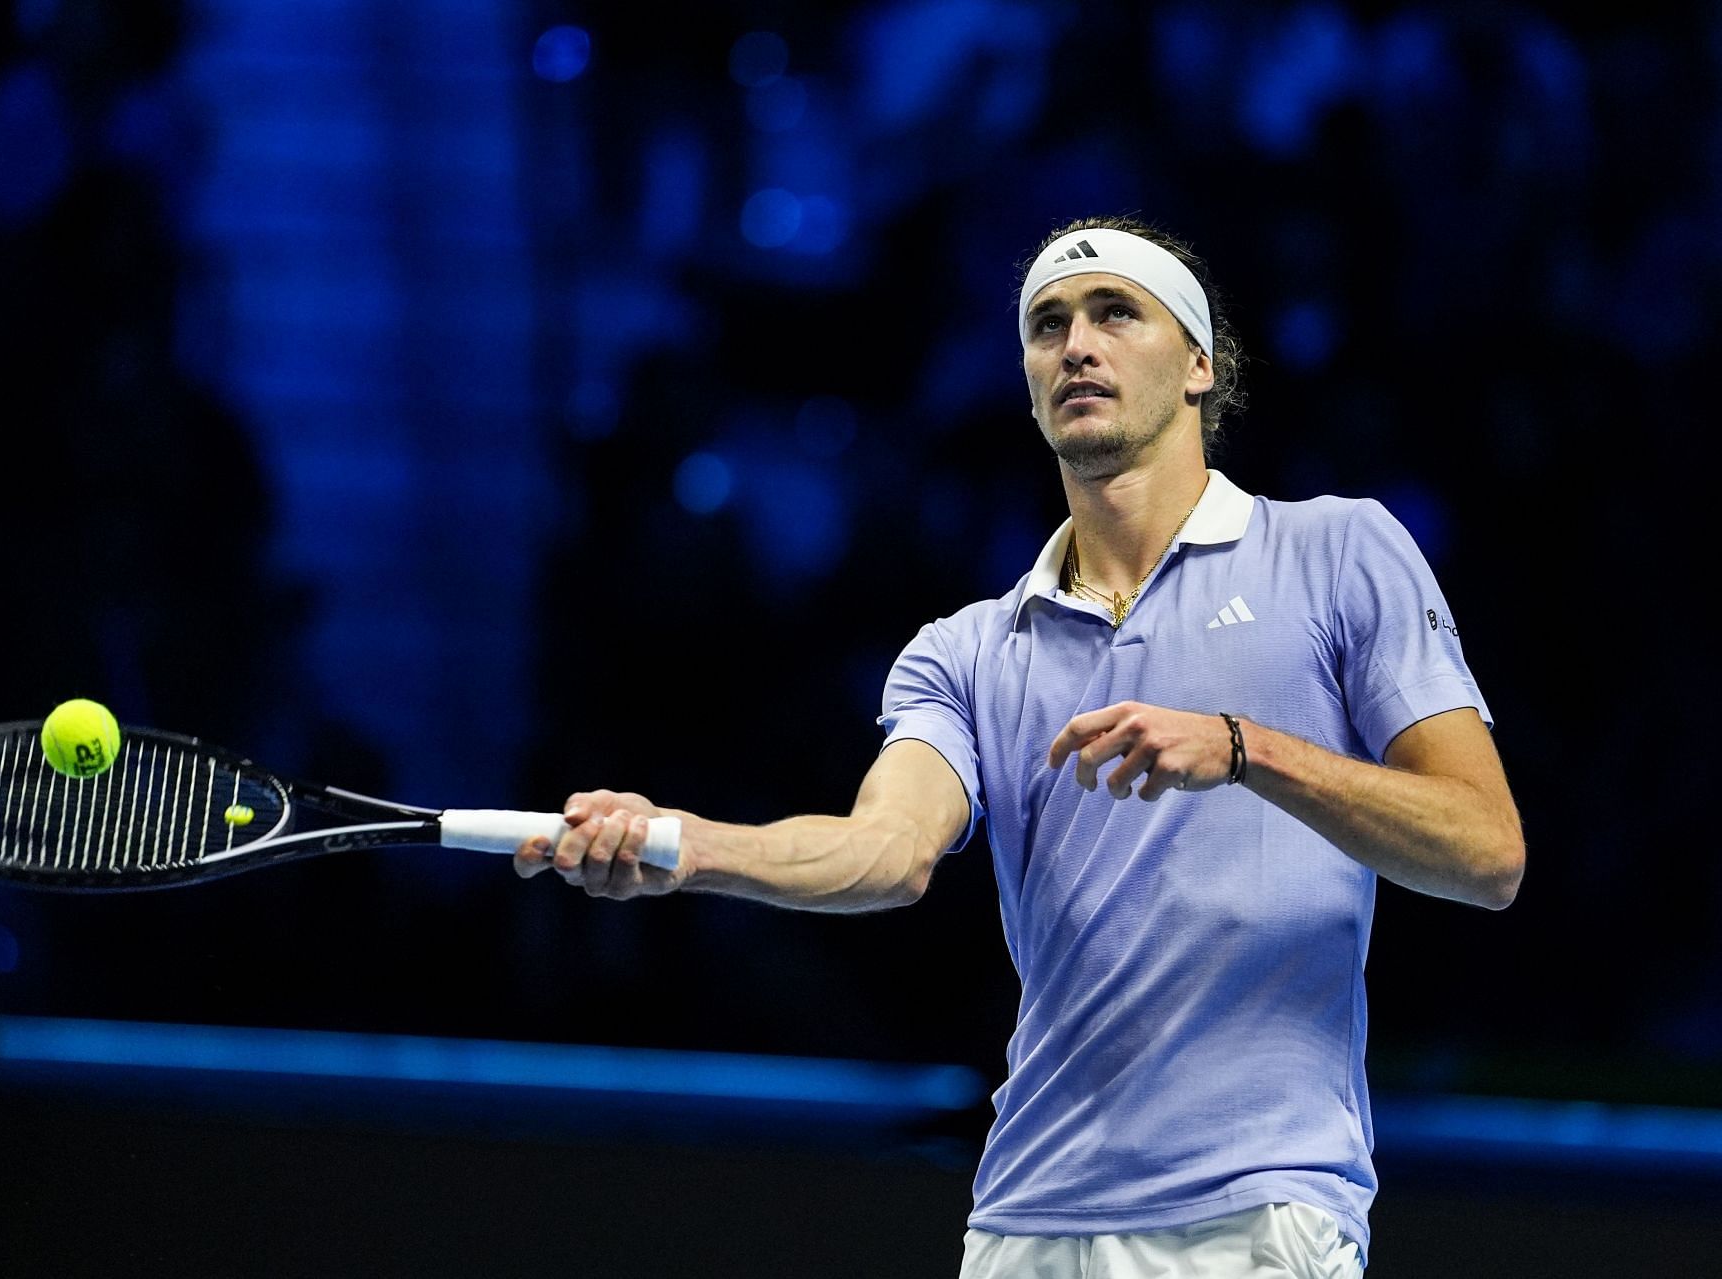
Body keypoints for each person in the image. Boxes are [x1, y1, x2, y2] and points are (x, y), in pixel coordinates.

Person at [512, 216, 1523, 1277]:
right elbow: (884, 852)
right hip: (1022, 1226)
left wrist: (1242, 748)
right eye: (1047, 325)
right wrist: (675, 843)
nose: (1074, 344)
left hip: (1252, 1216)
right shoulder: (965, 651)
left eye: (1113, 313)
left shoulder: (1338, 552)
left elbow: (1486, 849)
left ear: (1198, 366)